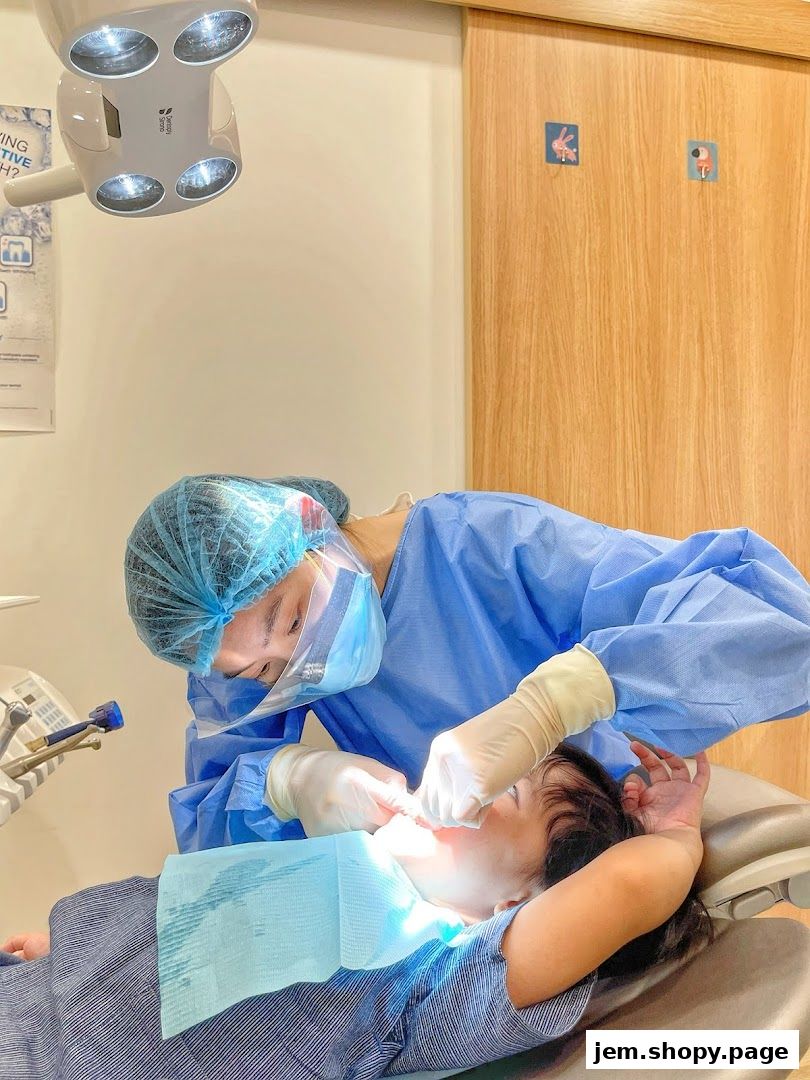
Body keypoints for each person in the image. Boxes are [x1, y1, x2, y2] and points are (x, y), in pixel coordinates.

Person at [124, 475, 809, 850]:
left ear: (309, 526)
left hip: (591, 836)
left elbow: (773, 619)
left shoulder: (489, 546)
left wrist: (560, 699)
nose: (294, 665)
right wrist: (288, 780)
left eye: (296, 621)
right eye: (264, 676)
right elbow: (211, 816)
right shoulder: (234, 641)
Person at [0, 744, 712, 1080]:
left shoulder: (443, 973)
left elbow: (625, 888)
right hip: (32, 997)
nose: (472, 786)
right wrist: (73, 959)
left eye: (507, 796)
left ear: (514, 904)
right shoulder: (357, 868)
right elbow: (190, 934)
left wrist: (676, 837)